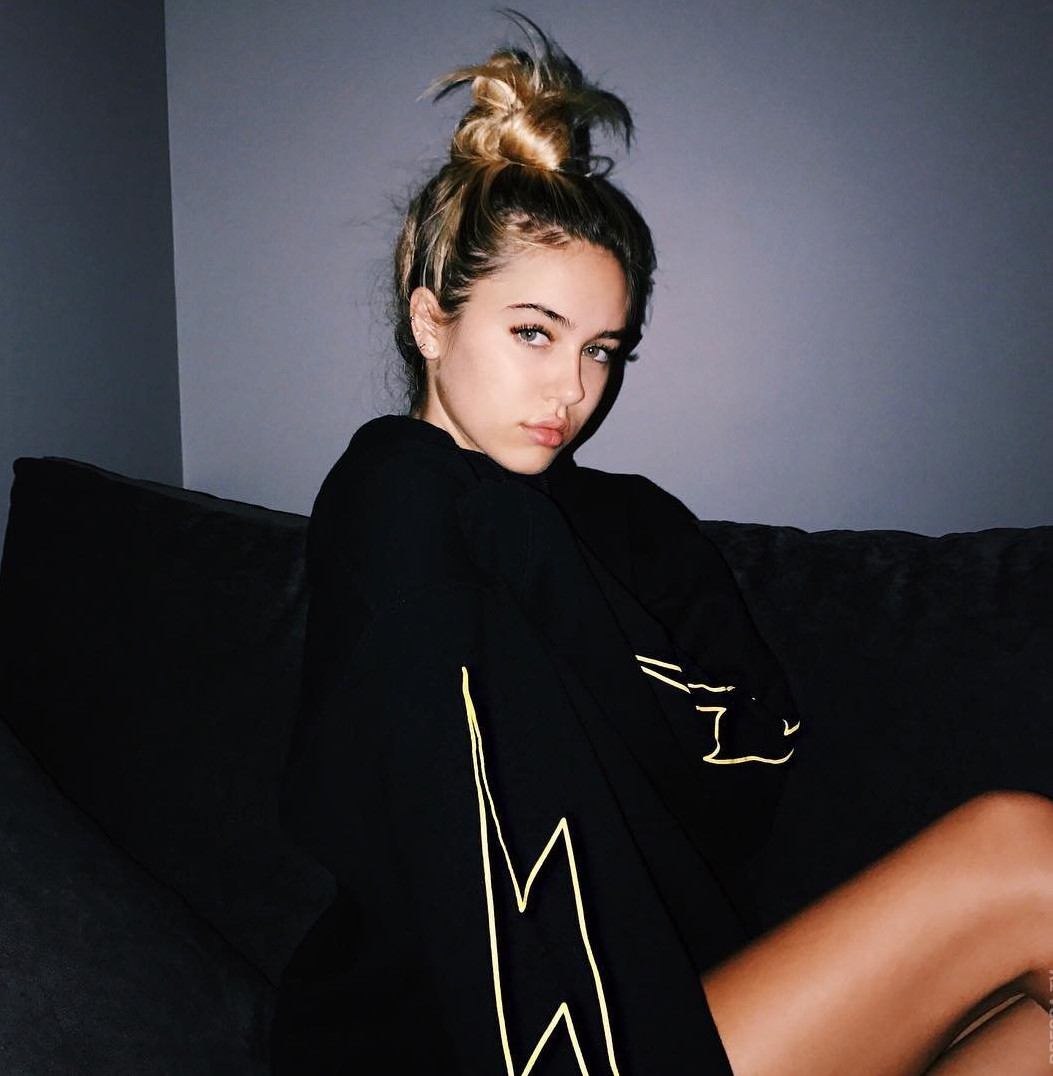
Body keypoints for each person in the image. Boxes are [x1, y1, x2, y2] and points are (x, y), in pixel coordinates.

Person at [270, 15, 1053, 1074]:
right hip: (490, 1039)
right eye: (533, 331)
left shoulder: (632, 522)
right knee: (1022, 853)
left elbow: (751, 760)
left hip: (688, 993)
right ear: (430, 321)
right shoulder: (397, 489)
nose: (572, 388)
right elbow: (453, 822)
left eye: (602, 349)